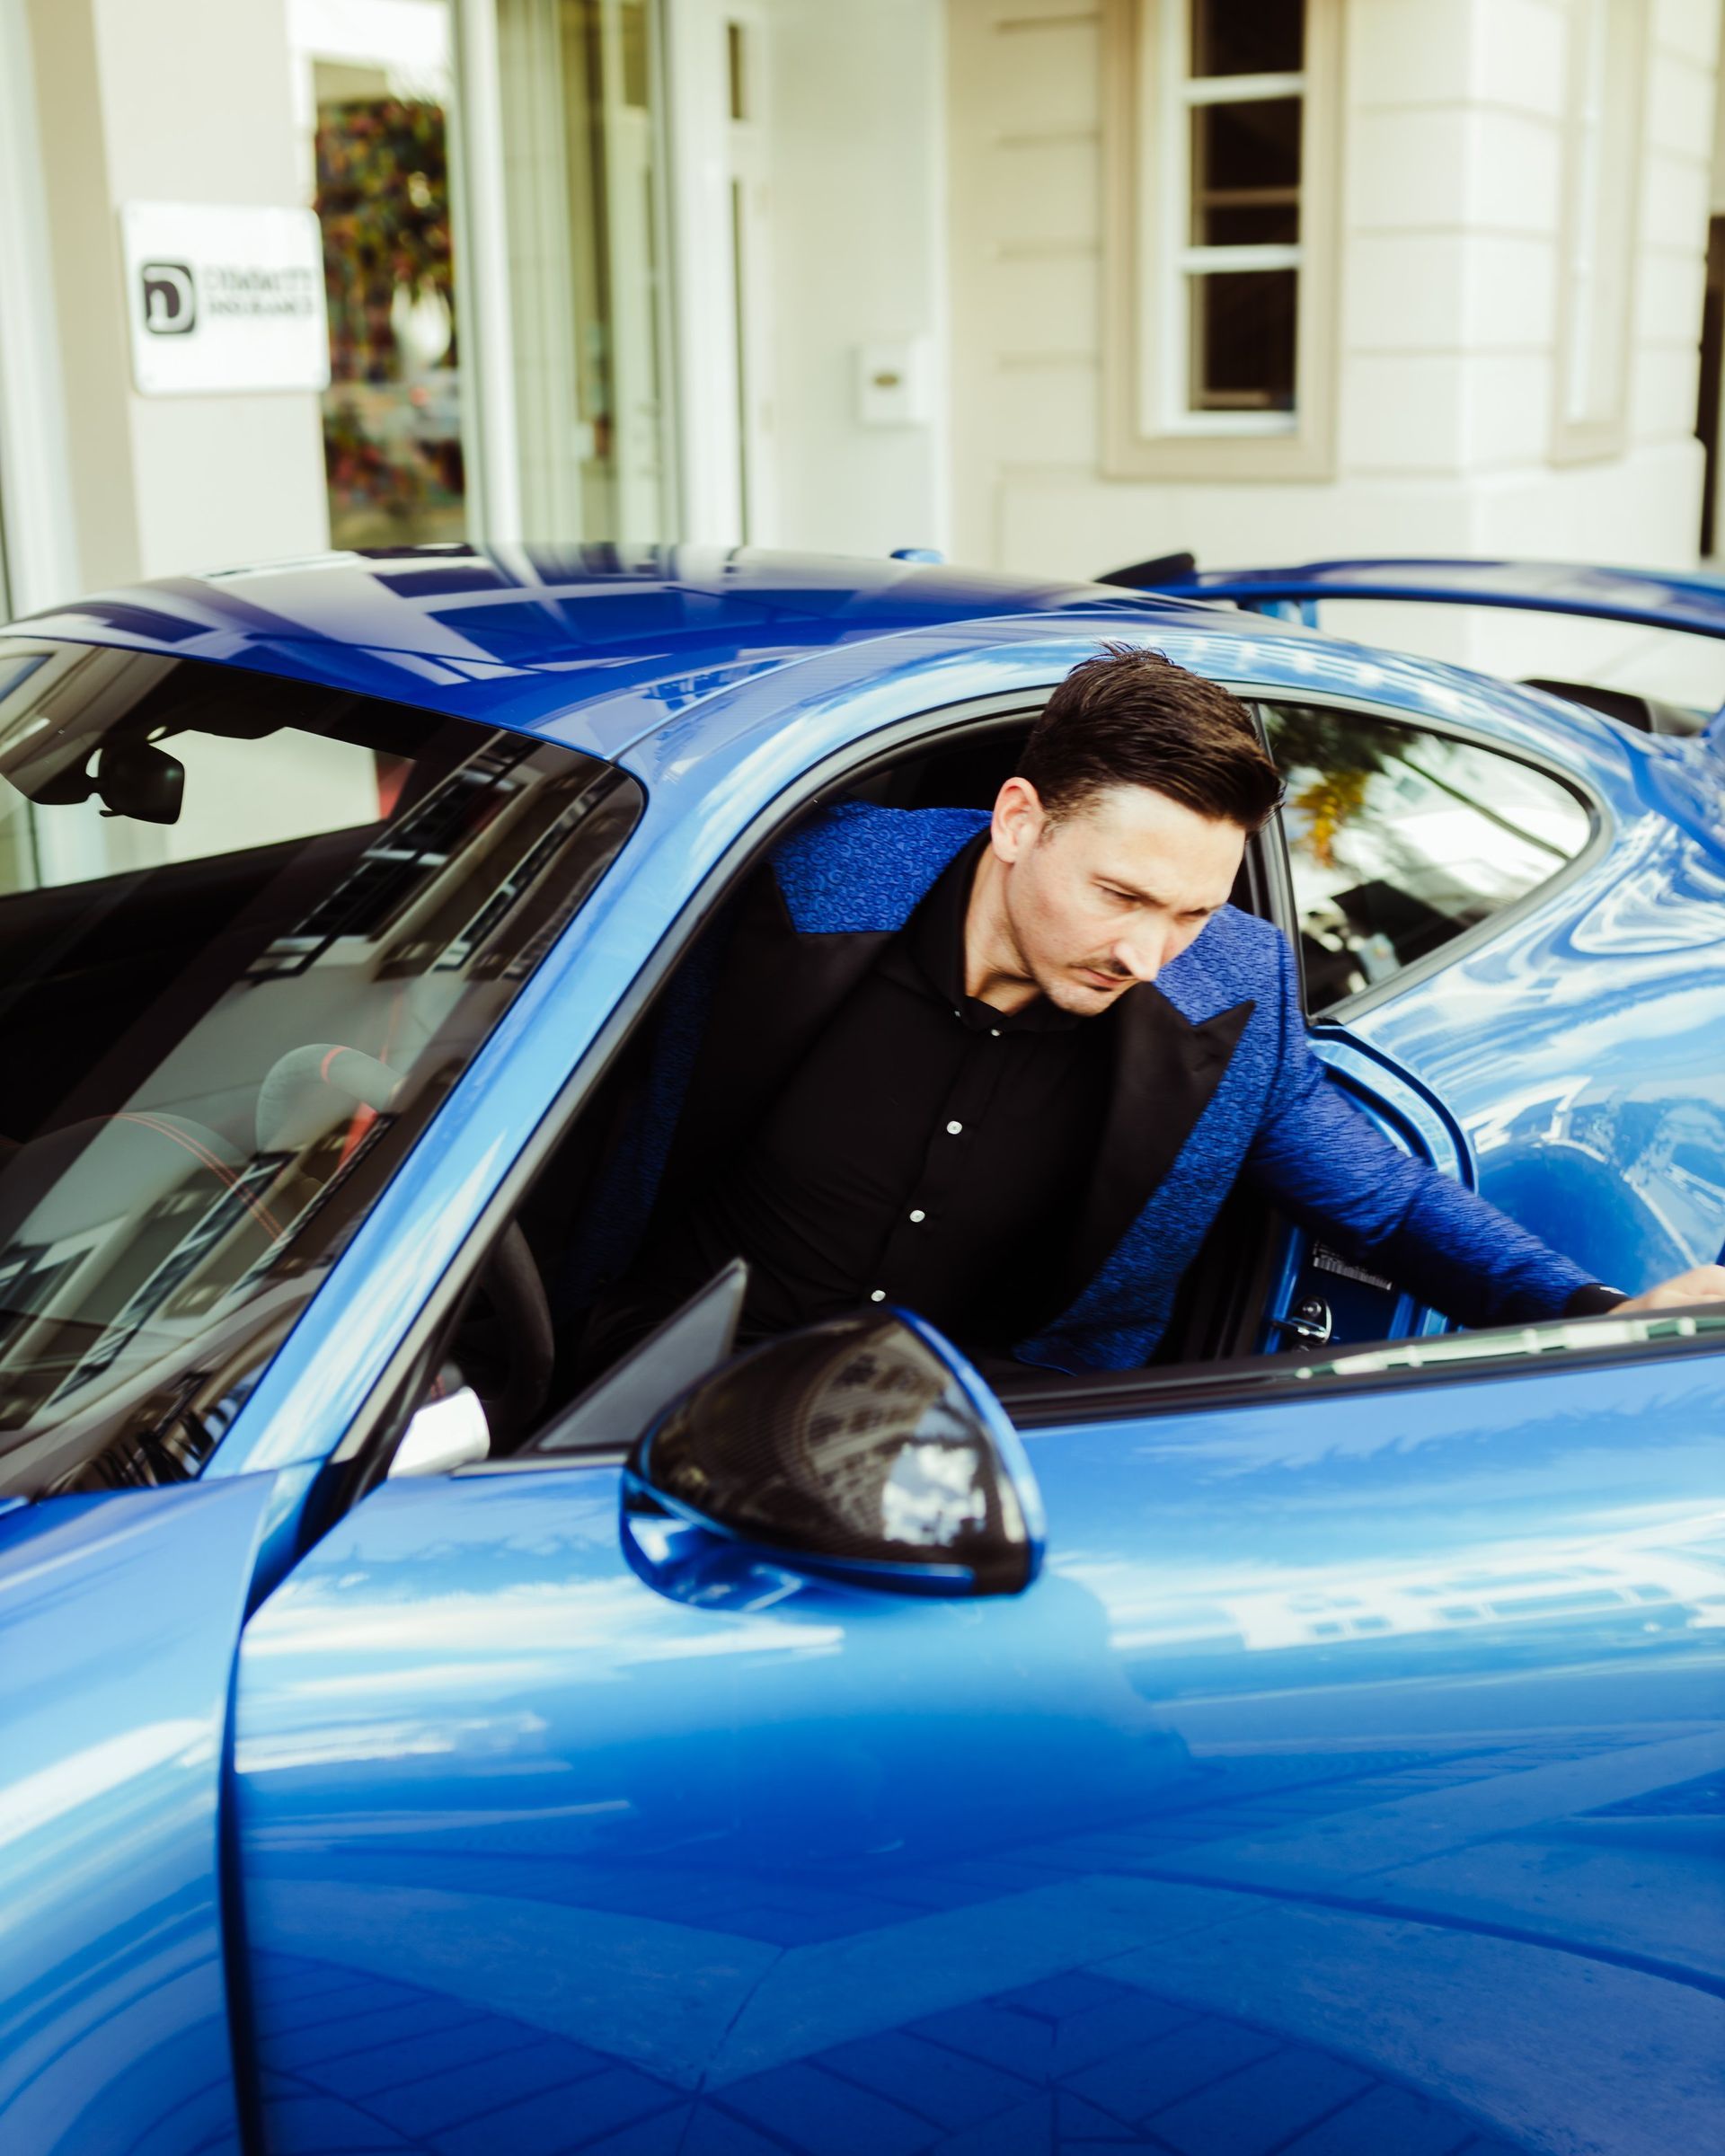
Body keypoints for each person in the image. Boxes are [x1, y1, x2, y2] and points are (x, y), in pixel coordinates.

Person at [579, 646, 1725, 1376]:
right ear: (1019, 821)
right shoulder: (787, 883)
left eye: (1192, 911)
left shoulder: (1230, 989)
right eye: (1121, 895)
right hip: (660, 1381)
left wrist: (1595, 1310)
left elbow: (1386, 1205)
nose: (1146, 954)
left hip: (989, 1437)